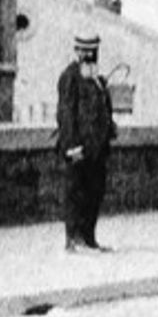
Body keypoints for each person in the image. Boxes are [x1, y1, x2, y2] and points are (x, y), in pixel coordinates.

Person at [56, 32, 118, 252]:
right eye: (85, 53)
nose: (90, 57)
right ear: (78, 52)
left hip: (97, 150)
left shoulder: (98, 81)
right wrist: (72, 147)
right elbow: (66, 115)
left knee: (94, 193)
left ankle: (89, 238)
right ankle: (73, 239)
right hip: (78, 150)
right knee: (75, 193)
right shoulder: (70, 77)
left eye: (93, 53)